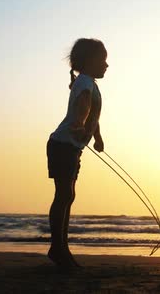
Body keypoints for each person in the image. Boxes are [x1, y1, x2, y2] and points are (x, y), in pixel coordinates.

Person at [46, 38, 108, 269]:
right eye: (103, 60)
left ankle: (60, 247)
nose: (106, 65)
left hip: (70, 146)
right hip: (63, 144)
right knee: (64, 195)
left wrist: (97, 137)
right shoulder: (84, 83)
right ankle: (58, 248)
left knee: (67, 196)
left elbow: (93, 115)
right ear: (90, 61)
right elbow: (83, 107)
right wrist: (81, 126)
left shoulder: (89, 83)